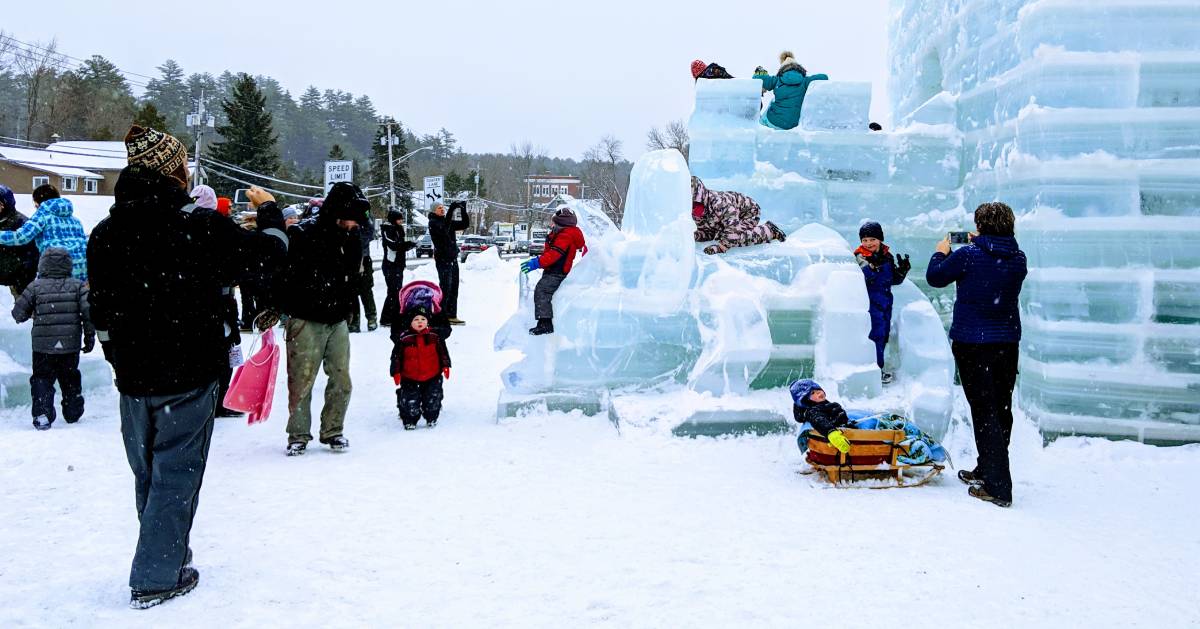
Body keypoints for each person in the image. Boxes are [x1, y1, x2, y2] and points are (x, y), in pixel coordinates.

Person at [88, 124, 252, 608]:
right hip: (187, 372)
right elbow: (264, 261)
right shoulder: (198, 225)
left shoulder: (106, 232)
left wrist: (117, 355)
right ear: (173, 169)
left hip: (134, 378)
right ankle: (158, 573)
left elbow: (100, 308)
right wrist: (267, 216)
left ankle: (163, 552)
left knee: (150, 472)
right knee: (176, 473)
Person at [926, 202, 1027, 508]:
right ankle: (988, 468)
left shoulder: (968, 255)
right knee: (1000, 409)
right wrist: (983, 240)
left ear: (980, 226)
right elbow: (995, 262)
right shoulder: (1018, 258)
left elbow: (935, 276)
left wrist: (941, 250)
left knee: (984, 412)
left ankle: (998, 487)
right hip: (1006, 343)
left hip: (973, 343)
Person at [270, 181, 364, 456]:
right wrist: (282, 306)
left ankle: (333, 430)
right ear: (337, 212)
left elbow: (354, 275)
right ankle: (298, 434)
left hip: (337, 318)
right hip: (305, 317)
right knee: (301, 379)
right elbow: (285, 273)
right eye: (350, 219)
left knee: (341, 378)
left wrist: (348, 304)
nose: (354, 224)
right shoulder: (304, 233)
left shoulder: (352, 236)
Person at [11, 247, 94, 430]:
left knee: (42, 379)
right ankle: (73, 411)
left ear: (43, 264)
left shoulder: (35, 286)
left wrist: (28, 313)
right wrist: (89, 337)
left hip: (43, 346)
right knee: (70, 377)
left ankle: (42, 414)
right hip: (69, 344)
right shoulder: (78, 286)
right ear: (68, 265)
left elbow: (18, 314)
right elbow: (88, 313)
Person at [854, 221, 911, 383]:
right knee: (875, 336)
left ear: (879, 239)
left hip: (885, 302)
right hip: (870, 303)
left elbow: (892, 280)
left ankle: (878, 368)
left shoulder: (887, 256)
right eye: (864, 240)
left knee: (884, 336)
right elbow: (864, 278)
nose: (868, 243)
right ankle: (874, 371)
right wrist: (872, 266)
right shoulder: (859, 256)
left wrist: (902, 271)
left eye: (872, 239)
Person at [520, 207, 587, 335]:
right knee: (543, 289)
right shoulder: (562, 233)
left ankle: (545, 323)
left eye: (554, 222)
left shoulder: (565, 235)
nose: (552, 224)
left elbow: (554, 254)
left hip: (557, 271)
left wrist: (537, 262)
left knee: (542, 290)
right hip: (554, 270)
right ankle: (543, 322)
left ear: (561, 222)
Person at [0, 184, 89, 281]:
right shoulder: (76, 221)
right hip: (81, 270)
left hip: (55, 268)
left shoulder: (43, 215)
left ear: (39, 202)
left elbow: (20, 237)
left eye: (35, 204)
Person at [690, 176, 787, 254]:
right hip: (729, 216)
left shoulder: (719, 203)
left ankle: (769, 230)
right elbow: (709, 232)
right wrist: (694, 236)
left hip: (749, 213)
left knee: (734, 238)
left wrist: (720, 247)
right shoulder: (696, 208)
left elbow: (733, 229)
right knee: (722, 234)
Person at [390, 308, 451, 430]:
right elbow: (396, 357)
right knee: (410, 399)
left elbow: (443, 352)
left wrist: (445, 365)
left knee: (433, 397)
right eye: (416, 319)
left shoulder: (434, 336)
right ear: (410, 322)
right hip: (409, 376)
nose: (420, 322)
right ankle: (409, 419)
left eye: (423, 319)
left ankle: (431, 417)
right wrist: (395, 372)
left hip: (432, 374)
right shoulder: (404, 339)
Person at [755, 51, 828, 131]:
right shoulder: (805, 81)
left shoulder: (777, 80)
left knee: (770, 106)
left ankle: (760, 129)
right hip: (795, 124)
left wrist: (762, 72)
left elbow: (758, 79)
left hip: (774, 122)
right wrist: (809, 80)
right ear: (799, 69)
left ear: (782, 69)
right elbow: (824, 77)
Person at [427, 200, 470, 325]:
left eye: (443, 207)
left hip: (452, 258)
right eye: (439, 208)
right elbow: (444, 228)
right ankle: (440, 316)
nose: (442, 209)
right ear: (434, 210)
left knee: (453, 287)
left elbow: (464, 224)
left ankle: (451, 315)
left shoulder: (447, 222)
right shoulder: (433, 222)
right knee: (445, 287)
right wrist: (451, 209)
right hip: (443, 259)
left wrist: (462, 209)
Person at [789, 379, 852, 455]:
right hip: (833, 436)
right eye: (812, 393)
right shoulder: (813, 412)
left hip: (845, 430)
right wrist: (832, 433)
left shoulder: (830, 405)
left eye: (818, 389)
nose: (818, 392)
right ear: (806, 400)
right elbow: (819, 421)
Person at [0, 184, 41, 300]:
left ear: (6, 204)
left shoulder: (22, 224)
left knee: (23, 315)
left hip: (17, 285)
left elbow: (32, 259)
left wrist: (21, 283)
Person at [379, 209, 416, 327]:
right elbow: (393, 246)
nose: (401, 221)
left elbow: (400, 246)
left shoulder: (399, 230)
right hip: (390, 265)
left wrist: (408, 245)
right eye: (399, 219)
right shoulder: (387, 230)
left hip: (398, 265)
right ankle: (386, 318)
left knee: (397, 292)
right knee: (393, 292)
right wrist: (408, 245)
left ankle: (394, 316)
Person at [347, 208, 377, 333]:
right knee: (351, 293)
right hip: (348, 261)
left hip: (364, 260)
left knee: (366, 290)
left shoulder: (364, 220)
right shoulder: (342, 219)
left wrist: (363, 219)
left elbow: (370, 234)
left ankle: (371, 318)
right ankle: (354, 321)